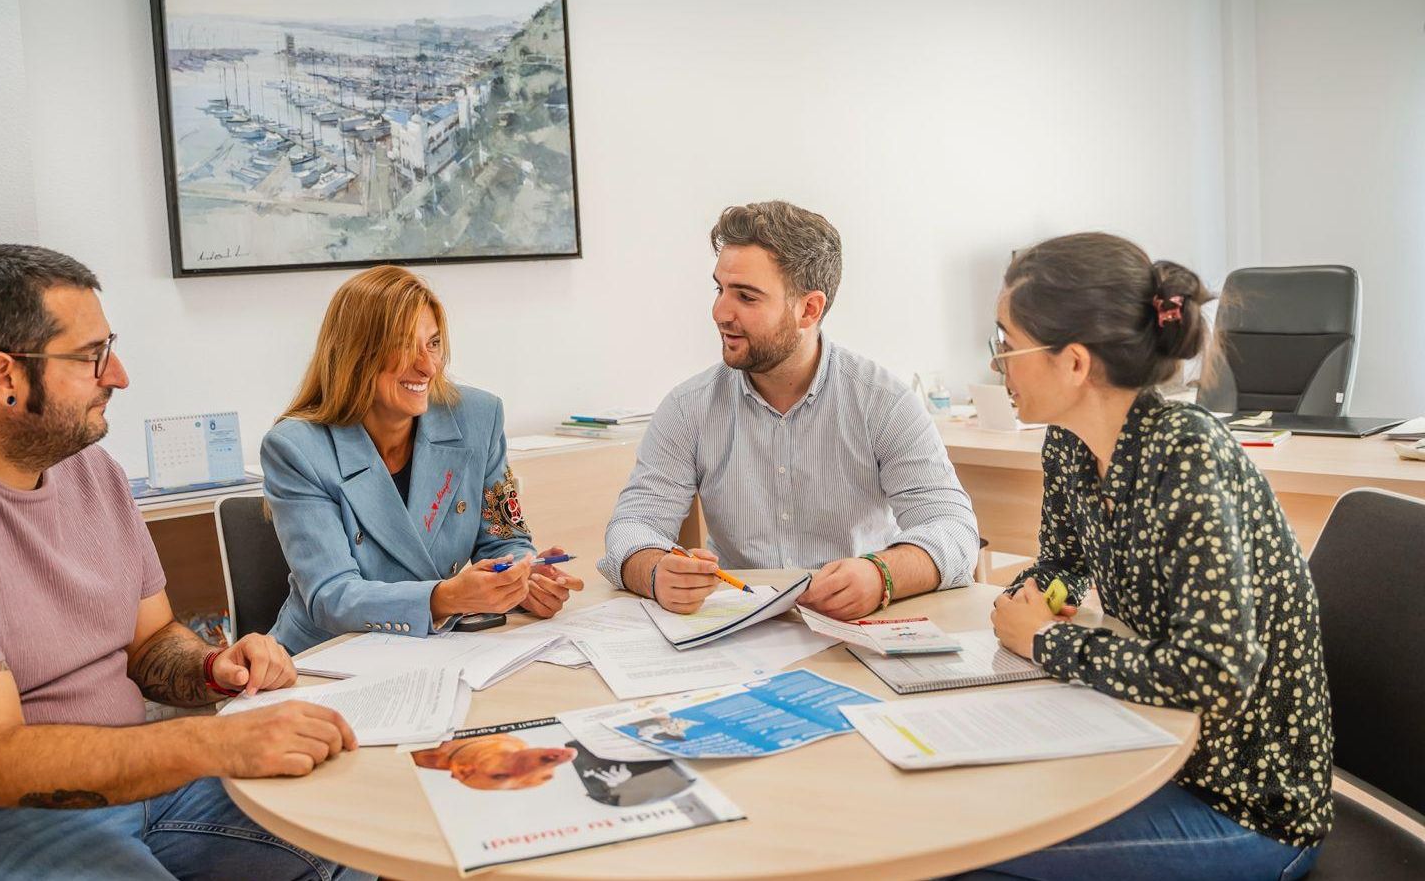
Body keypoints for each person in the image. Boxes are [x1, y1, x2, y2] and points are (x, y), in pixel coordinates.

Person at [0, 245, 359, 881]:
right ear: (5, 379)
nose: (120, 374)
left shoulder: (92, 473)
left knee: (347, 833)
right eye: (91, 357)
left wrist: (217, 670)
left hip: (132, 789)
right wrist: (209, 741)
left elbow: (151, 640)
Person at [966, 233, 1330, 879]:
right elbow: (1062, 566)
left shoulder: (1188, 456)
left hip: (1247, 806)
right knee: (973, 809)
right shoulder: (1070, 446)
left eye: (1006, 344)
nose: (999, 366)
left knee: (971, 854)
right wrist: (1032, 598)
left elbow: (1216, 674)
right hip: (1154, 752)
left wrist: (1048, 644)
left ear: (1073, 364)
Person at [598, 201, 979, 617]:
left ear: (809, 310)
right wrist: (654, 570)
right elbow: (632, 527)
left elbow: (955, 531)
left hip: (858, 623)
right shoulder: (689, 408)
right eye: (719, 289)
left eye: (745, 296)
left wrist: (881, 575)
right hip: (739, 627)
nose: (720, 312)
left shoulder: (882, 401)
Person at [262, 265, 581, 654]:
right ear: (356, 355)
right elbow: (332, 596)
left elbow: (505, 540)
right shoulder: (296, 449)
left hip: (432, 651)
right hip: (327, 658)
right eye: (404, 345)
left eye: (432, 344)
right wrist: (444, 598)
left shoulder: (478, 418)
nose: (428, 367)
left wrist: (521, 578)